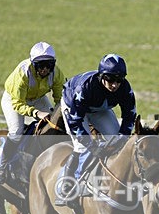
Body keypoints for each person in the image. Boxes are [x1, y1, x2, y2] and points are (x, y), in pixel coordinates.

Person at [56, 54, 137, 205]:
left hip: (99, 109)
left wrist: (122, 137)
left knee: (118, 142)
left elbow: (130, 116)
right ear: (101, 76)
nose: (115, 85)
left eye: (119, 80)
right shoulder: (84, 88)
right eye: (110, 79)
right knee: (82, 147)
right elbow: (75, 122)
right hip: (74, 108)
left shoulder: (125, 88)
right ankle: (67, 186)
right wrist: (92, 146)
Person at [0, 41, 66, 183]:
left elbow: (60, 100)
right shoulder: (22, 74)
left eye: (49, 65)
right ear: (33, 64)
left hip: (38, 98)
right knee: (16, 132)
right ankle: (1, 165)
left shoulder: (56, 73)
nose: (45, 69)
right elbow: (18, 104)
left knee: (54, 124)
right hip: (14, 100)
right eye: (41, 65)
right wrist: (36, 113)